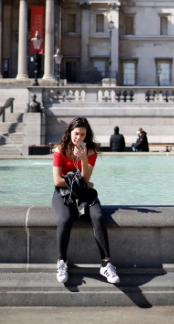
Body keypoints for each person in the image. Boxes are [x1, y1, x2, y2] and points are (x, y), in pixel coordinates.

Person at [51, 116, 119, 284]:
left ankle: (106, 264)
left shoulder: (90, 151)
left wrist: (83, 159)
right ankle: (62, 261)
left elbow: (86, 178)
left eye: (82, 134)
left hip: (84, 194)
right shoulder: (59, 150)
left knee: (98, 216)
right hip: (63, 194)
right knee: (65, 218)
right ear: (69, 132)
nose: (78, 138)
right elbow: (57, 181)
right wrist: (80, 182)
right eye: (76, 133)